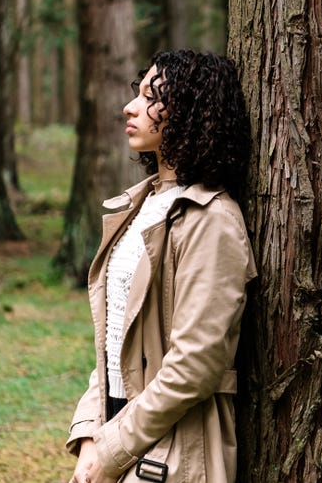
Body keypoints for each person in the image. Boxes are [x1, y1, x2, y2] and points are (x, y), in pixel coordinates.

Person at [67, 50, 256, 483]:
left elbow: (196, 365)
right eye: (138, 92)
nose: (130, 107)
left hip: (174, 447)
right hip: (117, 427)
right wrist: (90, 436)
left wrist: (112, 448)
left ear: (191, 112)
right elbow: (114, 342)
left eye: (153, 96)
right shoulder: (138, 207)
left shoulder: (213, 220)